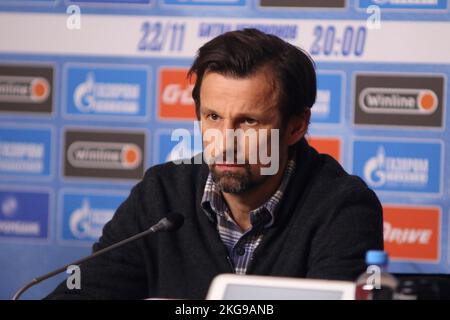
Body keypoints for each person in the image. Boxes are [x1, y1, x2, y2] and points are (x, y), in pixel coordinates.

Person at [46, 28, 383, 299]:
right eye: (213, 117)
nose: (225, 140)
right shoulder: (161, 195)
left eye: (248, 122)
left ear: (296, 126)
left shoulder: (342, 208)